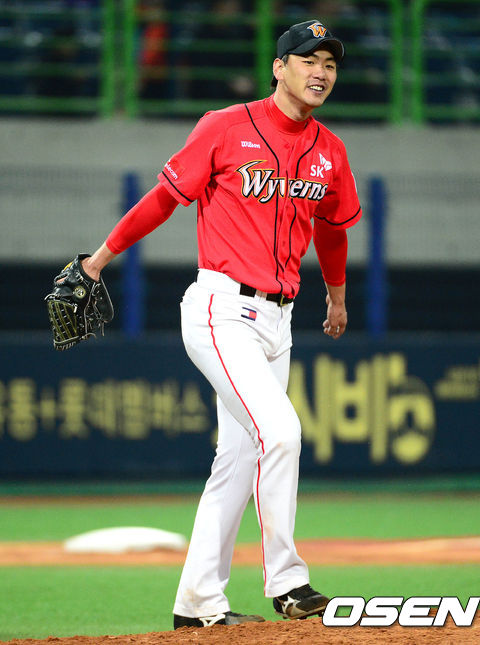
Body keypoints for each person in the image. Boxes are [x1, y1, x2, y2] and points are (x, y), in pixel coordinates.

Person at [81, 19, 362, 629]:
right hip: (221, 309)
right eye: (308, 59)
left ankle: (196, 606)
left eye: (330, 64)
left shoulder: (331, 151)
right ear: (278, 67)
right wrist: (98, 260)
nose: (320, 72)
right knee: (281, 433)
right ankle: (287, 582)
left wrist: (336, 298)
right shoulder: (226, 126)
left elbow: (333, 230)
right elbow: (164, 197)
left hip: (280, 320)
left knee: (236, 463)